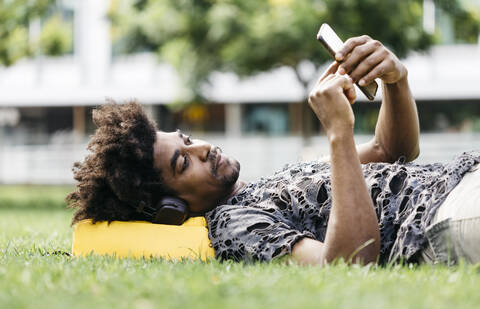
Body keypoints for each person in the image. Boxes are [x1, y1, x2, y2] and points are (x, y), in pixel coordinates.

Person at [67, 35, 480, 266]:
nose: (204, 148)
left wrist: (395, 79)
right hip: (441, 218)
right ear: (171, 208)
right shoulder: (232, 226)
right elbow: (349, 265)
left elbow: (393, 149)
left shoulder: (270, 182)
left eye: (188, 141)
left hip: (462, 179)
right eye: (183, 162)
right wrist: (338, 134)